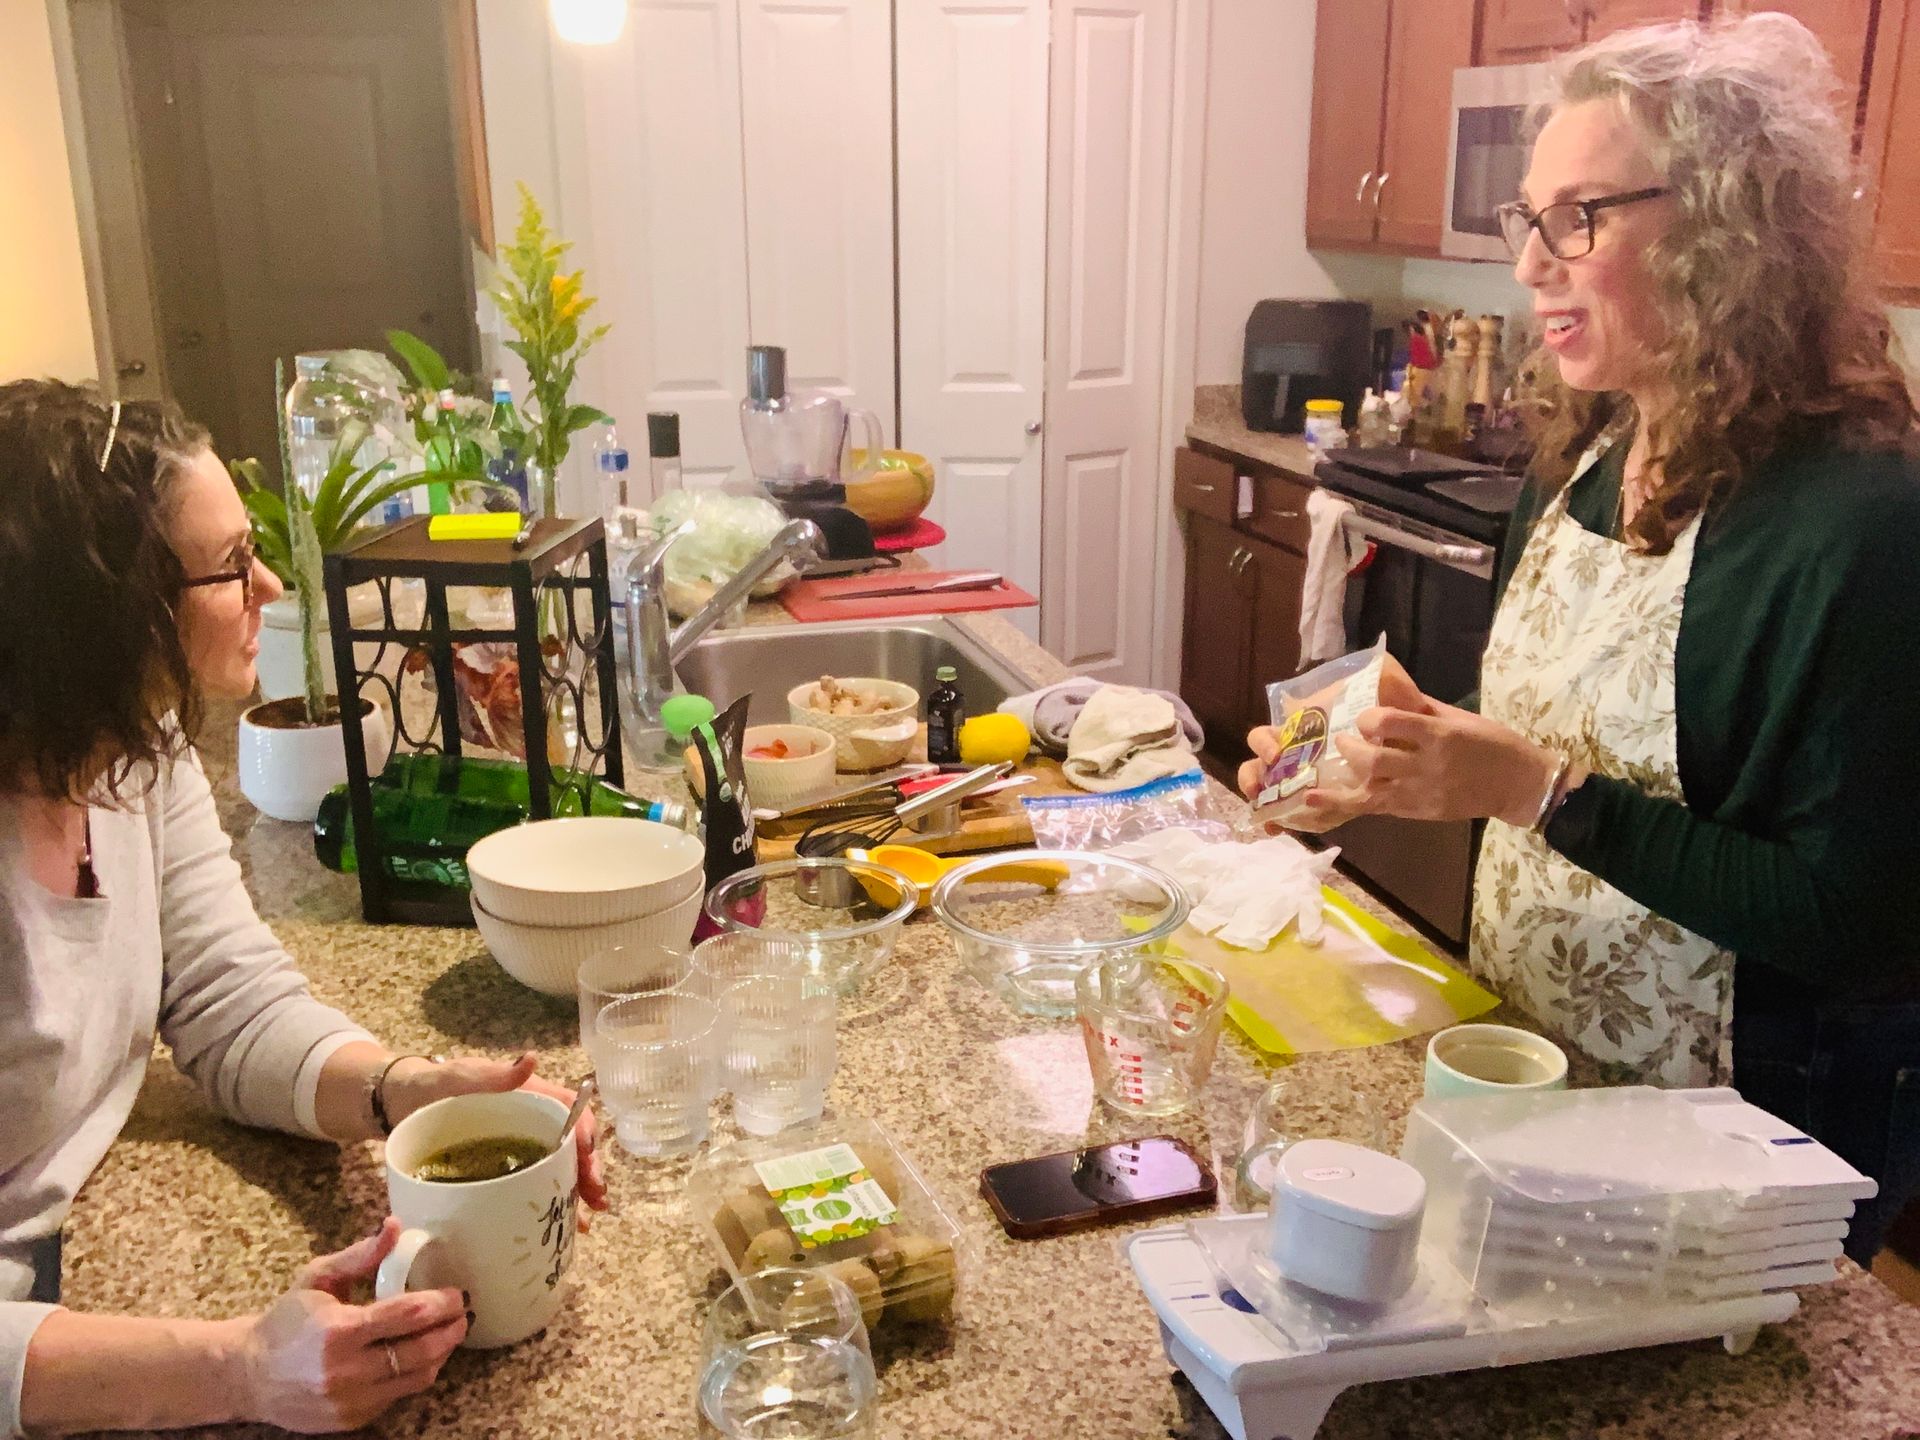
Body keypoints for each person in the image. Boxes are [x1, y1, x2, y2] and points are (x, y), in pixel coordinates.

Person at [1242, 15, 1920, 1264]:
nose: (1533, 267)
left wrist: (1527, 789)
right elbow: (1560, 745)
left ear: (1728, 231)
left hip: (1743, 1135)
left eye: (1581, 220)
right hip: (1540, 1067)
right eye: (1529, 222)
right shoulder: (1596, 452)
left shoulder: (1862, 520)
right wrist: (1404, 745)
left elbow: (1854, 922)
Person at [0, 380, 610, 1436]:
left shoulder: (131, 755)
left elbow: (227, 1001)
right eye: (231, 566)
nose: (270, 584)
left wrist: (405, 1092)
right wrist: (238, 1368)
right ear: (106, 611)